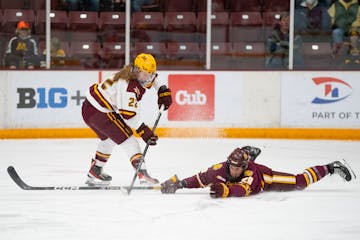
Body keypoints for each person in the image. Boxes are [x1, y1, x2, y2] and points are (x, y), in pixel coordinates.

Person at [82, 53, 172, 186]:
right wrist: (144, 131)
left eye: (150, 74)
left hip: (89, 109)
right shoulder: (128, 87)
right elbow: (129, 117)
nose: (148, 78)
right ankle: (143, 174)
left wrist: (162, 89)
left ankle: (95, 169)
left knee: (109, 139)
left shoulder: (133, 72)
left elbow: (155, 79)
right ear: (137, 71)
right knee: (129, 140)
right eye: (145, 74)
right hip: (99, 112)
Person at [161, 146, 355, 198]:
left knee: (300, 182)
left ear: (245, 167)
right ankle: (249, 152)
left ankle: (331, 166)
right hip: (250, 167)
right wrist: (179, 184)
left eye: (239, 167)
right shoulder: (220, 169)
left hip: (266, 179)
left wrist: (227, 191)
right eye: (232, 166)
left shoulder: (251, 173)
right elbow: (200, 179)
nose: (234, 170)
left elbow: (244, 190)